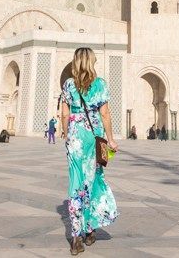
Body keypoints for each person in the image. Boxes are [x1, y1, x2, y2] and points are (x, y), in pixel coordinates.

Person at [59, 47, 118, 255]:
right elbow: (106, 114)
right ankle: (90, 231)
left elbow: (64, 115)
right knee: (92, 181)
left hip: (75, 136)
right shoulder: (100, 84)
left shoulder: (68, 85)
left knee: (76, 184)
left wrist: (67, 135)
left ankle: (76, 238)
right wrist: (110, 139)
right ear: (91, 62)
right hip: (94, 137)